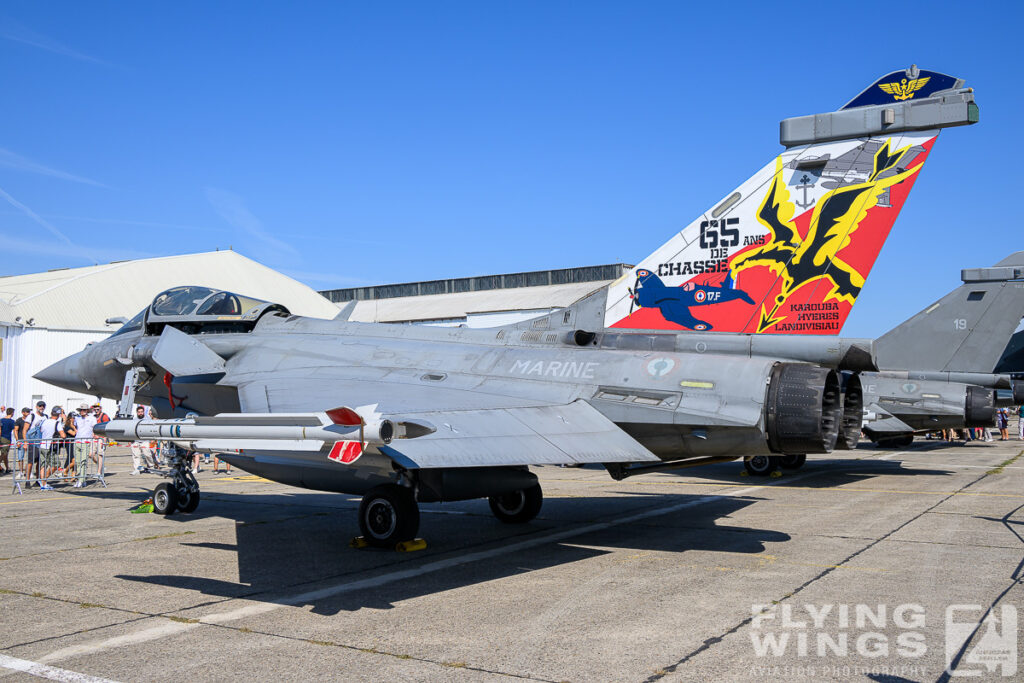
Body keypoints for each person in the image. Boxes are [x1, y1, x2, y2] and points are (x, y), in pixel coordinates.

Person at [38, 406, 65, 490]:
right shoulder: (57, 423)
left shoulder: (45, 421)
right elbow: (63, 435)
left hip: (42, 445)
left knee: (43, 465)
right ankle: (44, 480)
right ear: (58, 415)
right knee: (56, 464)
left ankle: (43, 483)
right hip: (49, 447)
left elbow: (41, 431)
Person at [92, 404, 110, 476]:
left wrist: (105, 439)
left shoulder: (104, 416)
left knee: (100, 454)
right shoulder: (93, 417)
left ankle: (99, 472)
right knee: (91, 454)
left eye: (97, 409)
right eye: (95, 409)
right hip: (94, 438)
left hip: (102, 438)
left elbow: (107, 427)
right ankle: (100, 465)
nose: (96, 411)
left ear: (101, 409)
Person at [13, 408, 30, 480]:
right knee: (20, 457)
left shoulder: (30, 420)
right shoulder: (19, 420)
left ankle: (28, 471)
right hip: (21, 440)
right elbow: (15, 430)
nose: (28, 413)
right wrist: (18, 441)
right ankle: (20, 472)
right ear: (23, 413)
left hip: (29, 440)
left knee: (29, 457)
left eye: (29, 412)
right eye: (27, 412)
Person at [0, 407, 14, 475]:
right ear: (12, 413)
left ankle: (7, 468)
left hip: (1, 437)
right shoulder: (11, 421)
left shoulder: (1, 420)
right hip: (6, 439)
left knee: (5, 455)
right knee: (4, 454)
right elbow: (15, 430)